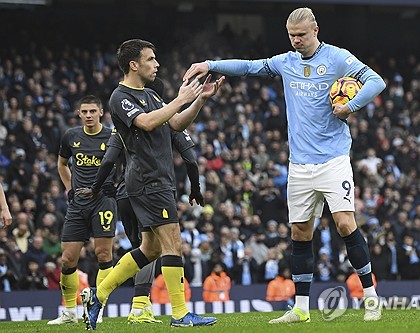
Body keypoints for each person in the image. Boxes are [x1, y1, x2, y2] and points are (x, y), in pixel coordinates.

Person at [184, 7, 386, 323]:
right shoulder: (286, 62)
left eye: (301, 35)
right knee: (300, 233)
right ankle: (302, 308)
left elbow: (376, 81)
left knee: (345, 224)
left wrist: (350, 106)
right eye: (291, 36)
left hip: (333, 160)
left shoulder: (336, 58)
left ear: (315, 30)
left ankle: (372, 299)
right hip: (299, 166)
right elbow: (249, 67)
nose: (295, 41)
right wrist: (210, 64)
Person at [81, 39, 224, 330]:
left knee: (152, 249)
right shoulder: (119, 97)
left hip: (159, 180)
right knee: (174, 242)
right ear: (134, 65)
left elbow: (174, 124)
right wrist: (179, 99)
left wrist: (199, 100)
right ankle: (181, 313)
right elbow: (146, 123)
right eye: (150, 59)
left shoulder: (151, 95)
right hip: (147, 181)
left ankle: (100, 295)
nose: (156, 64)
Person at [48, 95, 117, 325]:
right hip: (78, 204)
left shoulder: (111, 136)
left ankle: (99, 305)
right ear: (79, 113)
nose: (88, 115)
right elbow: (61, 163)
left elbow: (126, 163)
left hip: (103, 201)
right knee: (67, 259)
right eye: (84, 112)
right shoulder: (71, 136)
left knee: (104, 255)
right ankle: (69, 312)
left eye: (92, 111)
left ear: (100, 113)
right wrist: (69, 189)